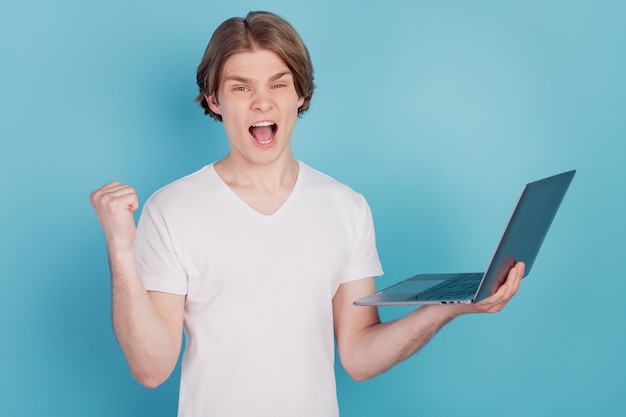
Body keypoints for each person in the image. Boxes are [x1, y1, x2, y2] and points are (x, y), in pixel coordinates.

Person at [89, 10, 524, 417]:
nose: (262, 102)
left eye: (278, 84)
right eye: (241, 87)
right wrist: (120, 249)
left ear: (300, 94)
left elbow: (358, 355)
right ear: (214, 100)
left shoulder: (345, 206)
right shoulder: (172, 209)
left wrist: (450, 307)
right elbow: (151, 368)